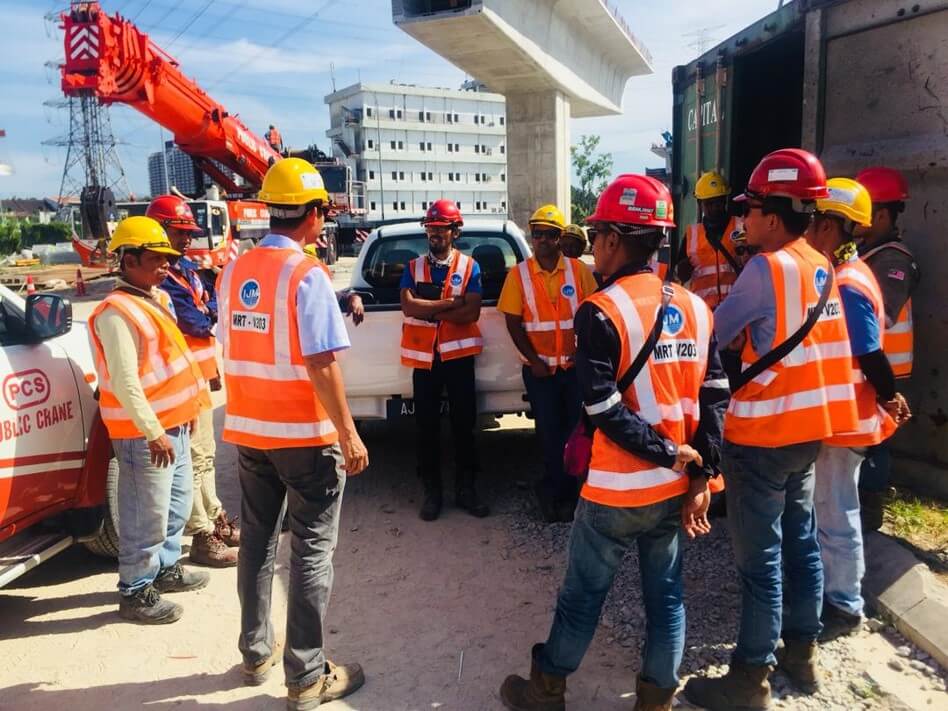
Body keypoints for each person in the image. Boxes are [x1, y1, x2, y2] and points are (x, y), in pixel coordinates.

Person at [500, 175, 728, 711]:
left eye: (598, 234)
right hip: (673, 487)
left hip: (617, 489)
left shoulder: (600, 310)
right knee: (666, 597)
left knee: (582, 596)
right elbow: (716, 395)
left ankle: (546, 690)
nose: (593, 246)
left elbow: (602, 409)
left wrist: (671, 454)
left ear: (612, 240)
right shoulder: (696, 308)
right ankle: (656, 699)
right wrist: (700, 471)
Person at [684, 149, 859, 711]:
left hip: (762, 436)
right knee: (801, 543)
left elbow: (716, 333)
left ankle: (749, 678)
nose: (742, 218)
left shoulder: (766, 268)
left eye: (751, 208)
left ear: (776, 216)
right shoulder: (821, 265)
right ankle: (801, 654)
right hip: (809, 433)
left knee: (760, 562)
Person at [217, 158, 368, 709]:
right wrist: (349, 433)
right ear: (313, 213)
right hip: (303, 437)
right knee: (310, 551)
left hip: (249, 431)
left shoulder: (233, 270)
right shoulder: (307, 275)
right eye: (323, 210)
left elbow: (231, 344)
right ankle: (305, 677)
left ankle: (256, 652)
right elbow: (321, 362)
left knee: (258, 540)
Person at [88, 216, 211, 624]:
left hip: (173, 424)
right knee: (146, 514)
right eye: (156, 258)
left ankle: (165, 568)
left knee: (175, 505)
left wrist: (187, 411)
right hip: (144, 432)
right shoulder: (115, 312)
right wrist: (153, 431)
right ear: (129, 260)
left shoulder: (153, 299)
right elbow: (125, 382)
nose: (165, 265)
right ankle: (135, 590)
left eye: (166, 258)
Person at [807, 178, 911, 641]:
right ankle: (831, 595)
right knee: (830, 508)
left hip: (845, 419)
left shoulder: (847, 283)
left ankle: (844, 604)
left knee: (835, 511)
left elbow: (869, 351)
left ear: (830, 227)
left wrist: (889, 395)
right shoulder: (846, 274)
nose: (807, 231)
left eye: (813, 222)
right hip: (839, 416)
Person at [148, 195, 239, 568]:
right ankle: (203, 535)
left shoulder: (185, 270)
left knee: (206, 455)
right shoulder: (159, 280)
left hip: (200, 377)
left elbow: (210, 306)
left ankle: (214, 519)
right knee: (195, 460)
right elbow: (195, 322)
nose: (187, 239)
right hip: (180, 385)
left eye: (189, 233)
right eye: (180, 232)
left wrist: (209, 315)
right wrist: (208, 316)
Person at [497, 204, 597, 522]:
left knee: (575, 432)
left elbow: (593, 314)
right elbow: (513, 322)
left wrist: (584, 354)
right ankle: (556, 494)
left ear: (560, 238)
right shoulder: (519, 274)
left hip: (573, 370)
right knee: (550, 434)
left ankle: (573, 495)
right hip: (540, 372)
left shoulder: (579, 271)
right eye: (537, 233)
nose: (542, 239)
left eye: (549, 234)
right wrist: (533, 360)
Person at [400, 199, 488, 521]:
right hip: (425, 360)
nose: (435, 234)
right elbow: (408, 307)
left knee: (464, 425)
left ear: (455, 232)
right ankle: (432, 492)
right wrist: (450, 303)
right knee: (426, 428)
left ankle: (467, 490)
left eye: (441, 228)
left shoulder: (470, 266)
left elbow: (472, 312)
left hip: (459, 358)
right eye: (431, 228)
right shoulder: (413, 267)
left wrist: (429, 309)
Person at [853, 167, 921, 531]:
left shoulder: (893, 260)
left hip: (883, 365)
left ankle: (870, 507)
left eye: (863, 211)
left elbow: (885, 315)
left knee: (876, 438)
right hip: (868, 363)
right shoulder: (869, 254)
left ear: (881, 215)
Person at [675, 171, 743, 308]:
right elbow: (678, 277)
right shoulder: (692, 235)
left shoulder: (741, 227)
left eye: (718, 202)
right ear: (700, 204)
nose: (714, 208)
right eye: (709, 203)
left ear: (725, 200)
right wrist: (682, 271)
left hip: (736, 308)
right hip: (703, 310)